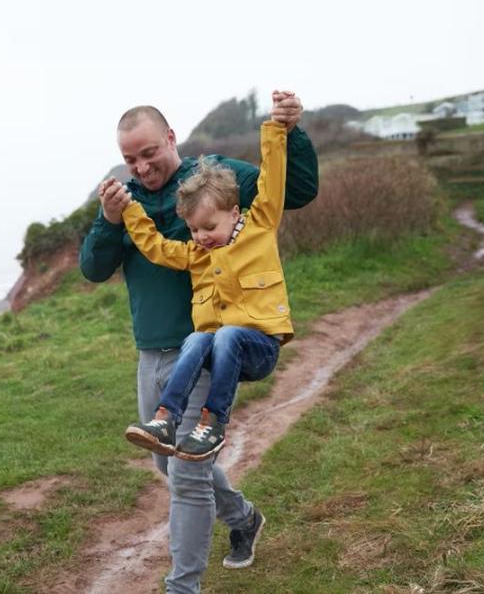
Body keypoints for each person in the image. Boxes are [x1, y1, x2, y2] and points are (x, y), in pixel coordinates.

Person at [79, 91, 317, 592]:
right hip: (153, 354)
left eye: (148, 153)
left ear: (170, 138)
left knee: (187, 476)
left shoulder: (215, 176)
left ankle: (181, 586)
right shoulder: (127, 204)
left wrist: (286, 130)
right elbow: (94, 268)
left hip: (208, 344)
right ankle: (243, 517)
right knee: (167, 461)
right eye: (130, 159)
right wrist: (110, 218)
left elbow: (290, 190)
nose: (141, 167)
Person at [120, 115, 292, 463]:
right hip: (220, 352)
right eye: (194, 230)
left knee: (226, 334)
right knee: (197, 338)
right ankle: (165, 420)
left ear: (233, 212)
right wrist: (129, 211)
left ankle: (213, 423)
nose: (201, 238)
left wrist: (277, 129)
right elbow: (157, 247)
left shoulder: (259, 227)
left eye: (209, 227)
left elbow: (272, 182)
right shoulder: (198, 254)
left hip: (259, 348)